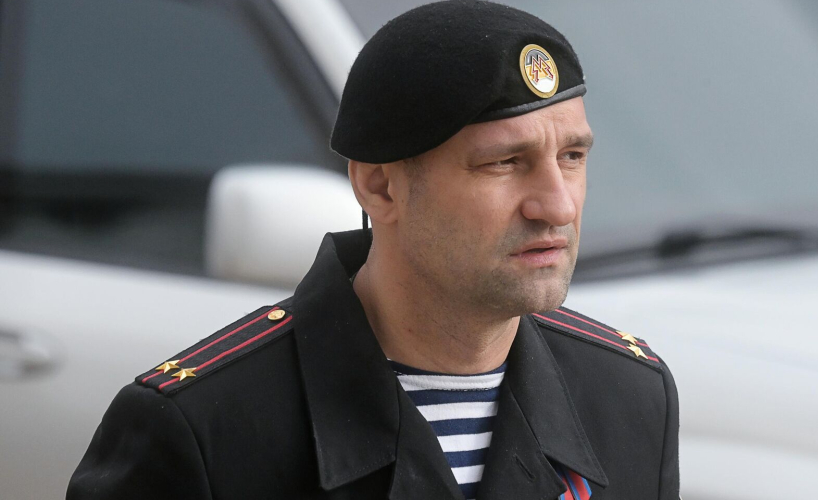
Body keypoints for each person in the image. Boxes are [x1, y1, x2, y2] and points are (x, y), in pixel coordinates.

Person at [68, 1, 680, 499]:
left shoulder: (630, 397)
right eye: (504, 162)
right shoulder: (203, 429)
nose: (558, 205)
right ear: (381, 186)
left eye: (572, 156)